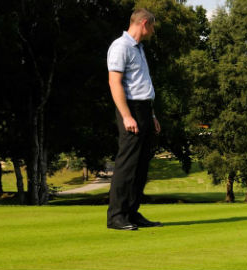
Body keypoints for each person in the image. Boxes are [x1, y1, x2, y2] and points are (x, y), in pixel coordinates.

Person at [106, 8, 162, 231]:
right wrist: (127, 115)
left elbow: (142, 83)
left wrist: (153, 115)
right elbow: (115, 83)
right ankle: (116, 216)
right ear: (145, 23)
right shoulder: (120, 46)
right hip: (130, 109)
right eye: (153, 26)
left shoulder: (139, 49)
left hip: (145, 109)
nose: (153, 31)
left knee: (141, 167)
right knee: (127, 165)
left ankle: (132, 212)